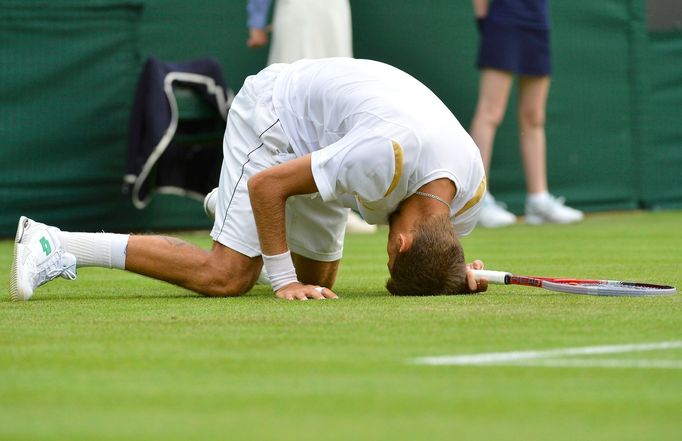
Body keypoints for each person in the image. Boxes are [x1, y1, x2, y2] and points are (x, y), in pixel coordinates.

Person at [10, 58, 489, 303]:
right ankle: (56, 243)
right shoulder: (383, 155)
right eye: (391, 253)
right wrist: (280, 281)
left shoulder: (465, 199)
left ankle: (234, 214)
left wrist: (450, 274)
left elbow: (434, 245)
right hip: (278, 115)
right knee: (228, 277)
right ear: (401, 242)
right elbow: (269, 186)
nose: (388, 245)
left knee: (317, 283)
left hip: (332, 139)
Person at [244, 0, 374, 233]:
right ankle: (264, 204)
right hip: (297, 10)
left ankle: (336, 210)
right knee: (286, 99)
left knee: (338, 96)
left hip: (333, 11)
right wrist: (256, 20)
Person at [470, 0, 583, 227]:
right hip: (503, 19)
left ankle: (538, 201)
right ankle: (475, 200)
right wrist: (484, 17)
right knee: (490, 113)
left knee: (534, 117)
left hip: (538, 23)